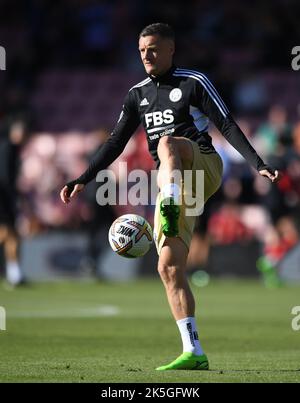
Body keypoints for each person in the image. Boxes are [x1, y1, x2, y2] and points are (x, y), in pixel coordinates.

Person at [60, 23, 279, 370]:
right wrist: (84, 178)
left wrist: (257, 163)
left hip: (203, 165)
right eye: (142, 50)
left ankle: (170, 203)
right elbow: (115, 142)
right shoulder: (137, 94)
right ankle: (193, 349)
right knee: (169, 267)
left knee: (166, 144)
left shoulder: (194, 81)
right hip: (173, 184)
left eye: (153, 49)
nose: (146, 55)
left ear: (171, 49)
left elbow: (226, 124)